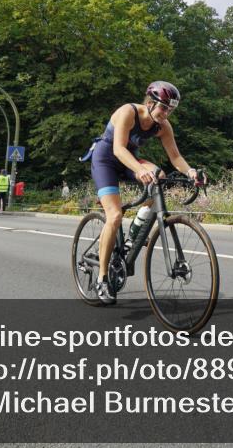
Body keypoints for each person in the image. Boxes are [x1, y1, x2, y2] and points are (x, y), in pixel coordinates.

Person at [84, 81, 198, 305]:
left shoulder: (163, 126)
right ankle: (102, 279)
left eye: (170, 110)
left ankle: (134, 233)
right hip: (106, 158)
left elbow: (175, 157)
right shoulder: (128, 112)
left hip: (129, 160)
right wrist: (139, 170)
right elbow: (118, 149)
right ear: (150, 102)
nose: (166, 114)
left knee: (160, 176)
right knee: (115, 216)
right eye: (163, 108)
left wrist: (191, 171)